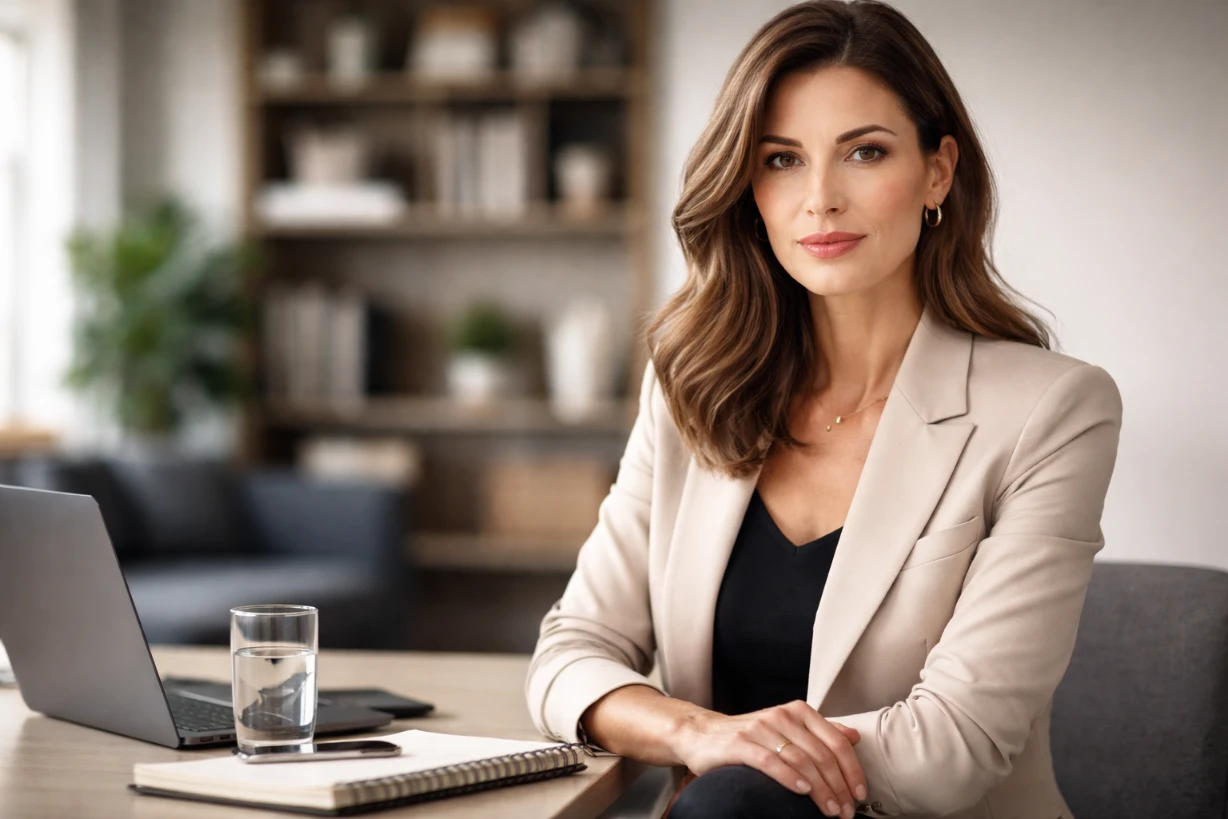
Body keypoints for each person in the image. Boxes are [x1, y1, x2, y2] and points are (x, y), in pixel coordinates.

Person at [524, 1, 1122, 817]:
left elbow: (952, 749)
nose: (820, 199)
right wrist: (698, 733)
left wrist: (741, 762)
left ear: (938, 172)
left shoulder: (1053, 410)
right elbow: (570, 657)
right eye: (781, 160)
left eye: (865, 153)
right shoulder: (692, 387)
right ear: (749, 188)